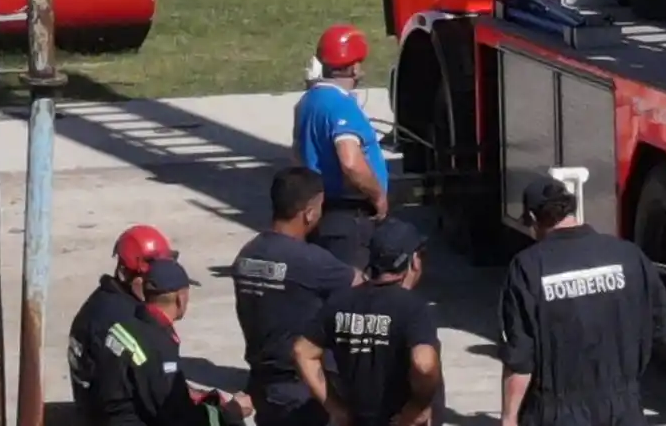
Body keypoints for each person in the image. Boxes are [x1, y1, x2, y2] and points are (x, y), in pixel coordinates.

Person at [498, 175, 666, 426]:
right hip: (624, 405)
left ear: (534, 218)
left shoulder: (527, 267)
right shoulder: (629, 255)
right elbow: (660, 326)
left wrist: (509, 416)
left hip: (559, 411)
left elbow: (520, 356)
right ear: (572, 209)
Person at [232, 166, 364, 426]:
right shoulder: (311, 261)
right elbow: (360, 284)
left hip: (262, 384)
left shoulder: (248, 254)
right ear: (309, 212)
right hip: (301, 389)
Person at [291, 218, 444, 426]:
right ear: (414, 261)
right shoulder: (413, 309)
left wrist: (335, 407)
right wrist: (417, 408)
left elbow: (302, 351)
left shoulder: (340, 302)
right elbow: (424, 364)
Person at [77, 257, 252, 426]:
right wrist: (232, 411)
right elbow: (177, 417)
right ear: (180, 299)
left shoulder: (129, 321)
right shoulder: (159, 345)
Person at [291, 24, 390, 270]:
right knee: (350, 285)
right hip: (347, 217)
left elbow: (297, 155)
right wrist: (378, 196)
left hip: (318, 211)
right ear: (354, 67)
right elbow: (350, 162)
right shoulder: (341, 105)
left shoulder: (307, 101)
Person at [68, 225, 177, 418]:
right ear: (126, 273)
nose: (158, 286)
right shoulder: (124, 321)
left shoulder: (101, 301)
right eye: (151, 280)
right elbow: (161, 397)